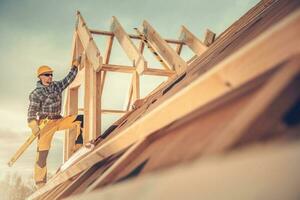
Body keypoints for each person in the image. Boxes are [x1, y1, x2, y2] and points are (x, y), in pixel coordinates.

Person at [27, 55, 83, 188]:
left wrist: (75, 66)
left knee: (81, 119)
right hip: (45, 125)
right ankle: (40, 183)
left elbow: (69, 79)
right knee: (42, 155)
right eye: (47, 75)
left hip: (58, 120)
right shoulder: (36, 93)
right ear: (40, 77)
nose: (50, 77)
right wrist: (33, 125)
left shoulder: (57, 86)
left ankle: (78, 146)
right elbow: (31, 112)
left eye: (51, 74)